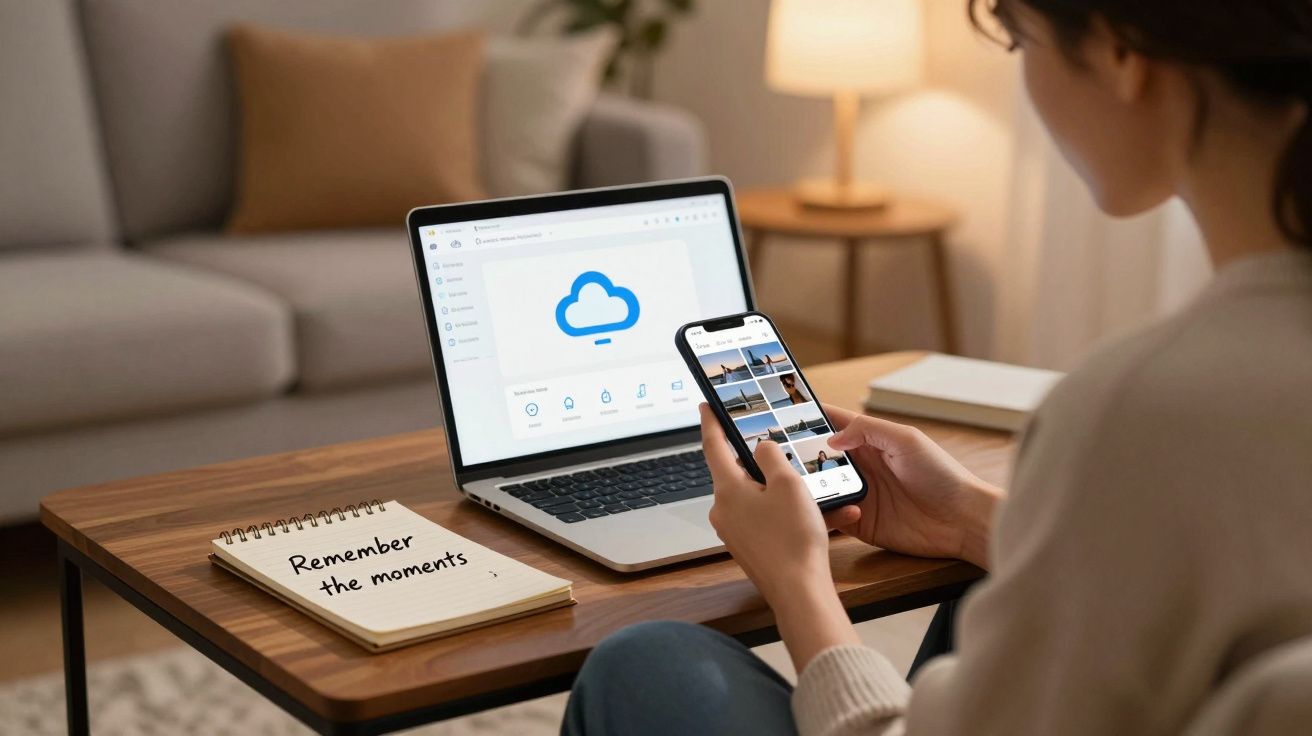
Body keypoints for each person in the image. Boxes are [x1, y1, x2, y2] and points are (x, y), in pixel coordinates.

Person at [563, 0, 1312, 734]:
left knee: (643, 659)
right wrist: (971, 519)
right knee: (998, 589)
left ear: (1122, 54)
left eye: (1019, 41)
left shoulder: (1143, 408)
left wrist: (797, 581)